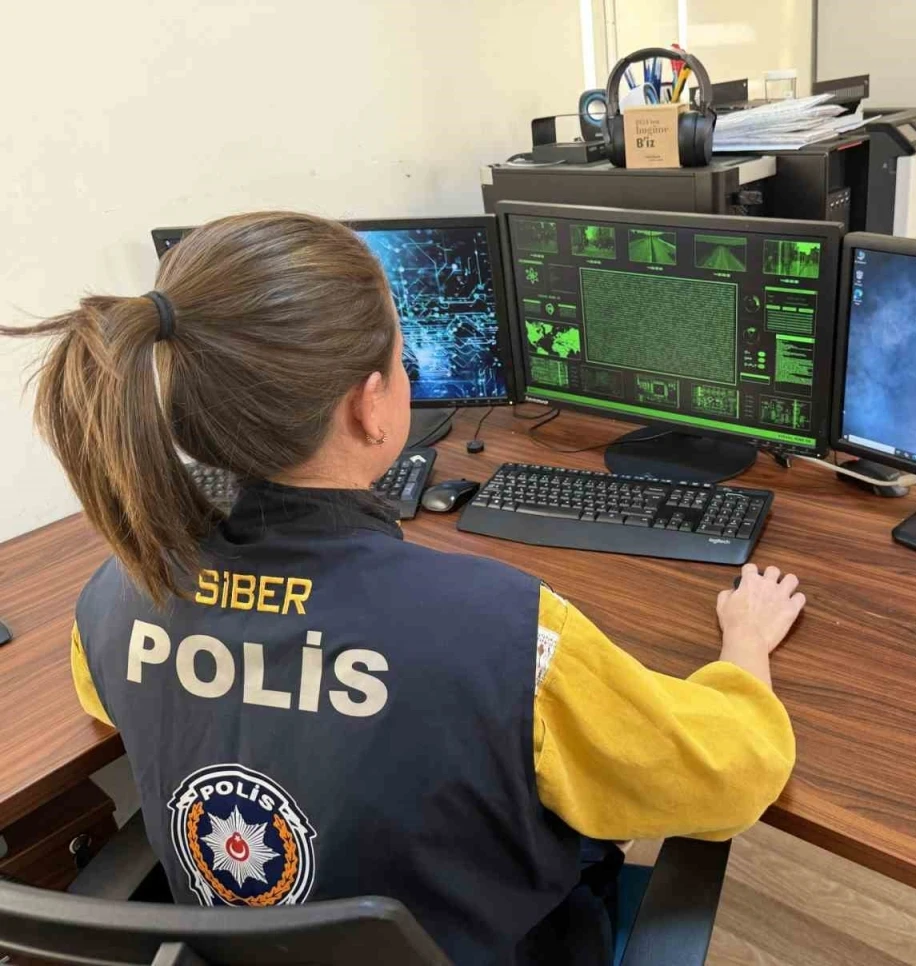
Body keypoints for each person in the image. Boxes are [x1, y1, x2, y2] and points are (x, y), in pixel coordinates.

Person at [1, 212, 804, 964]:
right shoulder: (506, 635)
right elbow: (736, 775)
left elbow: (112, 696)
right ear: (370, 406)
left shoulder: (115, 592)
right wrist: (744, 645)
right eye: (399, 353)